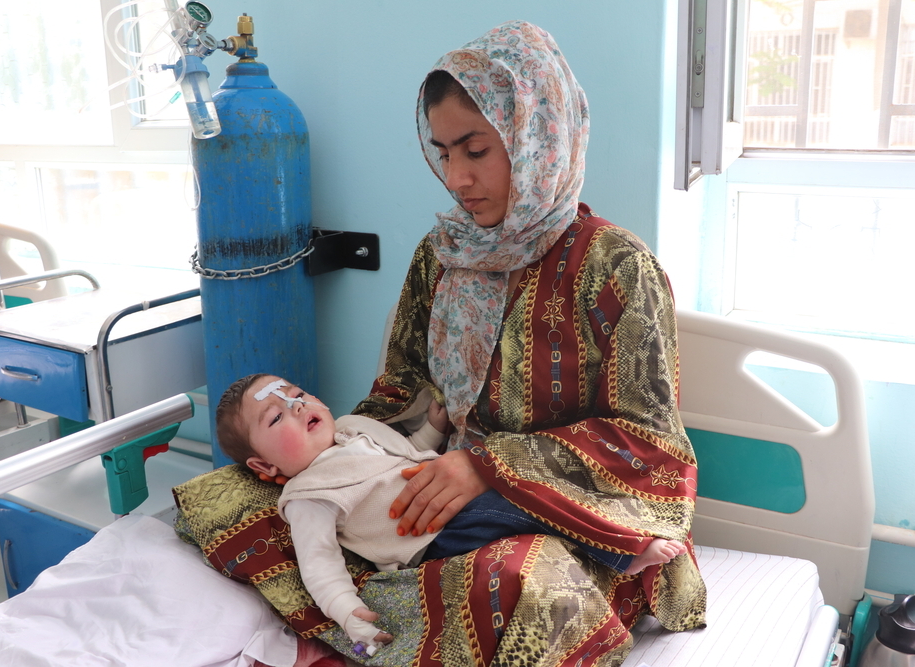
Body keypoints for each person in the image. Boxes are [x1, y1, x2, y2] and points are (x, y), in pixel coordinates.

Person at [345, 19, 708, 665]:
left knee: (518, 584)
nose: (455, 178)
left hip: (573, 519)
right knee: (274, 507)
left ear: (536, 134)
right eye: (443, 152)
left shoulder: (616, 267)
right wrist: (343, 457)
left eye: (475, 149)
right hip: (440, 490)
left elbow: (651, 446)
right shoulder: (441, 256)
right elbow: (398, 389)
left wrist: (490, 465)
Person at [215, 373, 689, 656]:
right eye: (276, 418)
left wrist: (433, 430)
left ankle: (613, 528)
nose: (296, 407)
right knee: (522, 503)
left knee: (531, 485)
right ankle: (622, 553)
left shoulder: (352, 430)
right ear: (263, 465)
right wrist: (348, 614)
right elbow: (318, 564)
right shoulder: (308, 494)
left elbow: (404, 455)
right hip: (432, 537)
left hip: (453, 497)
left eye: (295, 394)